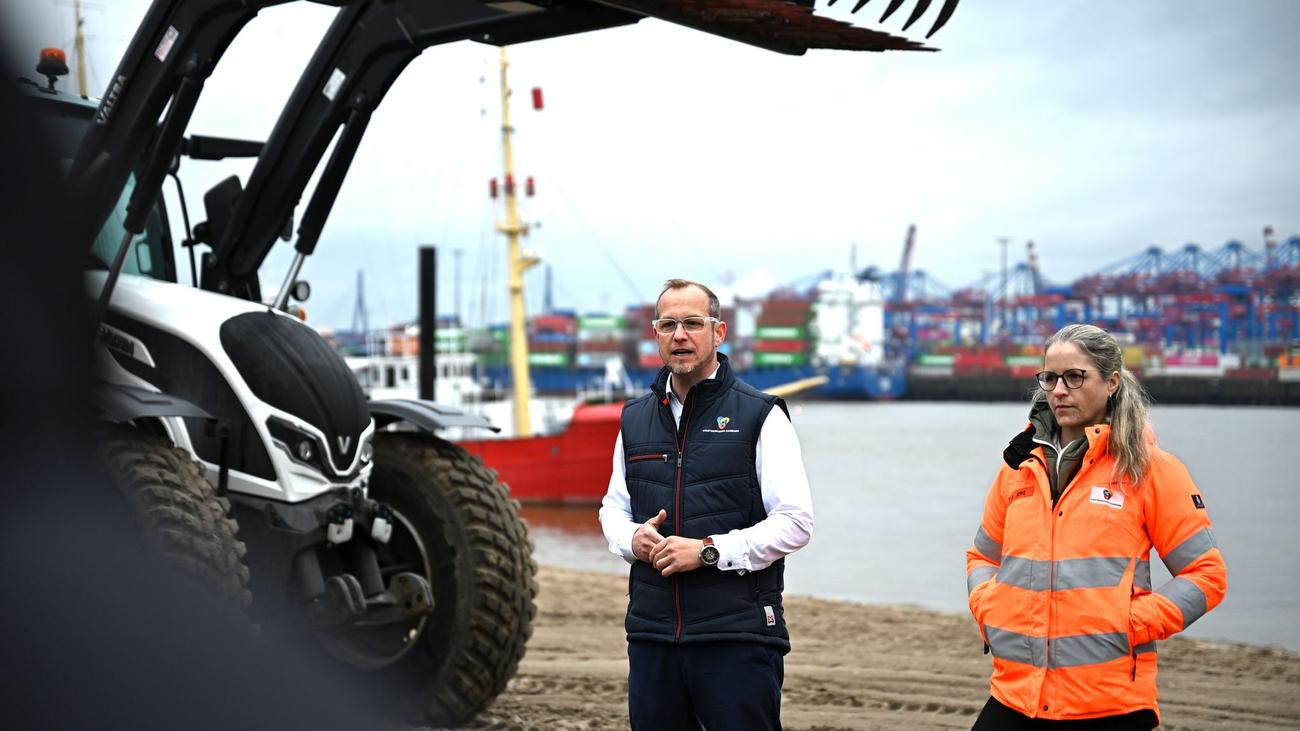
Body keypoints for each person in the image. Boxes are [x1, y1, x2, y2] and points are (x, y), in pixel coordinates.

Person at [965, 324, 1228, 729]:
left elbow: (1206, 575)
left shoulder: (1149, 469)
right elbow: (983, 555)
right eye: (1050, 378)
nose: (1059, 390)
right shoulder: (1018, 467)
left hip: (1109, 704)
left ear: (1112, 382)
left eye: (1075, 376)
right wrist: (987, 605)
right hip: (1015, 694)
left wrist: (1128, 624)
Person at [598, 278, 814, 730]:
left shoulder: (761, 414)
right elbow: (612, 509)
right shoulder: (634, 418)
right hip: (652, 635)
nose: (680, 335)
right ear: (655, 334)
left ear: (718, 332)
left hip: (736, 636)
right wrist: (631, 539)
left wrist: (708, 551)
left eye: (693, 323)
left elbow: (795, 522)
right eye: (668, 324)